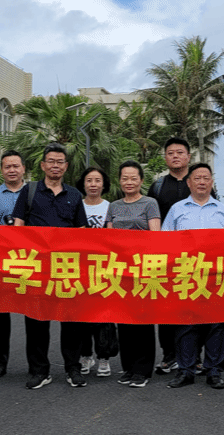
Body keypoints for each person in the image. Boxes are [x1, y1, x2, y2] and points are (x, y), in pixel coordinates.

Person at [12, 142, 89, 390]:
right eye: (51, 162)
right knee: (36, 320)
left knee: (72, 320)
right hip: (37, 267)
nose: (55, 166)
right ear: (43, 165)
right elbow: (18, 227)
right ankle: (39, 370)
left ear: (66, 166)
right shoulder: (30, 191)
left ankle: (73, 368)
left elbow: (82, 232)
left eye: (60, 162)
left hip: (67, 267)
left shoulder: (74, 195)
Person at [162, 163, 224, 390]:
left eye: (206, 178)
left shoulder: (223, 210)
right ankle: (186, 370)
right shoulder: (177, 209)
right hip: (186, 275)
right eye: (197, 178)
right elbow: (165, 242)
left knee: (216, 324)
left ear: (211, 182)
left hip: (215, 276)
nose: (202, 182)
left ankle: (214, 371)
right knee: (186, 324)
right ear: (189, 182)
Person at [106, 160, 161, 388]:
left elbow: (156, 236)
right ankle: (128, 368)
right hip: (120, 271)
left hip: (143, 269)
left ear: (141, 180)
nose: (129, 182)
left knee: (143, 321)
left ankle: (143, 370)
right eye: (125, 178)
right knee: (124, 321)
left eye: (133, 178)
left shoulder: (150, 203)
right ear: (120, 181)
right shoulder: (114, 206)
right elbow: (108, 239)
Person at [146, 137, 193, 373]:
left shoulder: (198, 182)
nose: (175, 156)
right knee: (165, 307)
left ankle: (193, 355)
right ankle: (169, 356)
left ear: (188, 157)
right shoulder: (157, 186)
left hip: (194, 257)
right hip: (165, 257)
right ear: (165, 158)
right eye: (171, 153)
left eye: (180, 152)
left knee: (193, 306)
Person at [0, 150, 27, 381]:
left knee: (35, 313)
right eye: (7, 166)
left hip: (29, 259)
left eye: (16, 166)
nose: (12, 170)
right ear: (1, 170)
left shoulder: (34, 193)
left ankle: (37, 364)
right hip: (0, 259)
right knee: (1, 314)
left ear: (23, 169)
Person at [77, 166, 117, 378]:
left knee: (103, 315)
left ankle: (103, 357)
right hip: (79, 268)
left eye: (97, 180)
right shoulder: (76, 205)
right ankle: (85, 355)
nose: (93, 184)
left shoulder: (111, 207)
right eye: (89, 180)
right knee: (81, 315)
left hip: (104, 268)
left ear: (104, 184)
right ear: (83, 184)